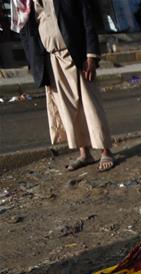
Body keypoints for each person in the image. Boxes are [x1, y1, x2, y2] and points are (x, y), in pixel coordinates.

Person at [12, 0, 116, 171]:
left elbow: (87, 19)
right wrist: (33, 62)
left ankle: (106, 151)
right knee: (66, 109)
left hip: (75, 55)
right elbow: (26, 33)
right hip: (51, 60)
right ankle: (85, 153)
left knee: (90, 105)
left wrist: (91, 56)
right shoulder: (24, 3)